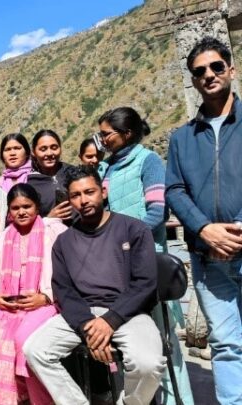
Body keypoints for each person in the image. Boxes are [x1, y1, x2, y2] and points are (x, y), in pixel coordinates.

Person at [23, 166, 165, 405]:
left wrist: (109, 321)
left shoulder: (134, 229)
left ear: (104, 192)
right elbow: (64, 290)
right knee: (34, 350)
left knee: (148, 364)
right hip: (84, 315)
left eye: (89, 192)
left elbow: (145, 284)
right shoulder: (63, 242)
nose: (83, 200)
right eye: (76, 195)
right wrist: (89, 326)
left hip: (128, 312)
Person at [166, 37, 242, 404]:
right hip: (209, 260)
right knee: (226, 346)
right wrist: (205, 230)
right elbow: (175, 191)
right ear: (193, 81)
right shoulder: (181, 138)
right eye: (199, 72)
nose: (208, 75)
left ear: (231, 69)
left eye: (215, 67)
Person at [98, 106, 192, 404]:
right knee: (137, 346)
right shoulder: (106, 168)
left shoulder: (148, 161)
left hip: (148, 262)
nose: (101, 140)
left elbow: (158, 211)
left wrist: (124, 239)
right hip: (117, 268)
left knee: (164, 342)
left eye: (106, 134)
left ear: (125, 134)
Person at [0, 184, 65, 405]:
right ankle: (8, 395)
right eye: (15, 208)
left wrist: (47, 297)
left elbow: (67, 274)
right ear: (9, 212)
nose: (21, 212)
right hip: (8, 302)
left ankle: (38, 399)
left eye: (27, 206)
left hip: (45, 302)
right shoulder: (1, 240)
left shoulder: (55, 232)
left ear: (37, 207)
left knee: (22, 340)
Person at [26, 130, 75, 220]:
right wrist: (49, 218)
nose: (49, 153)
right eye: (43, 149)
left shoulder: (73, 172)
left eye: (54, 147)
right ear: (33, 152)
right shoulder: (30, 185)